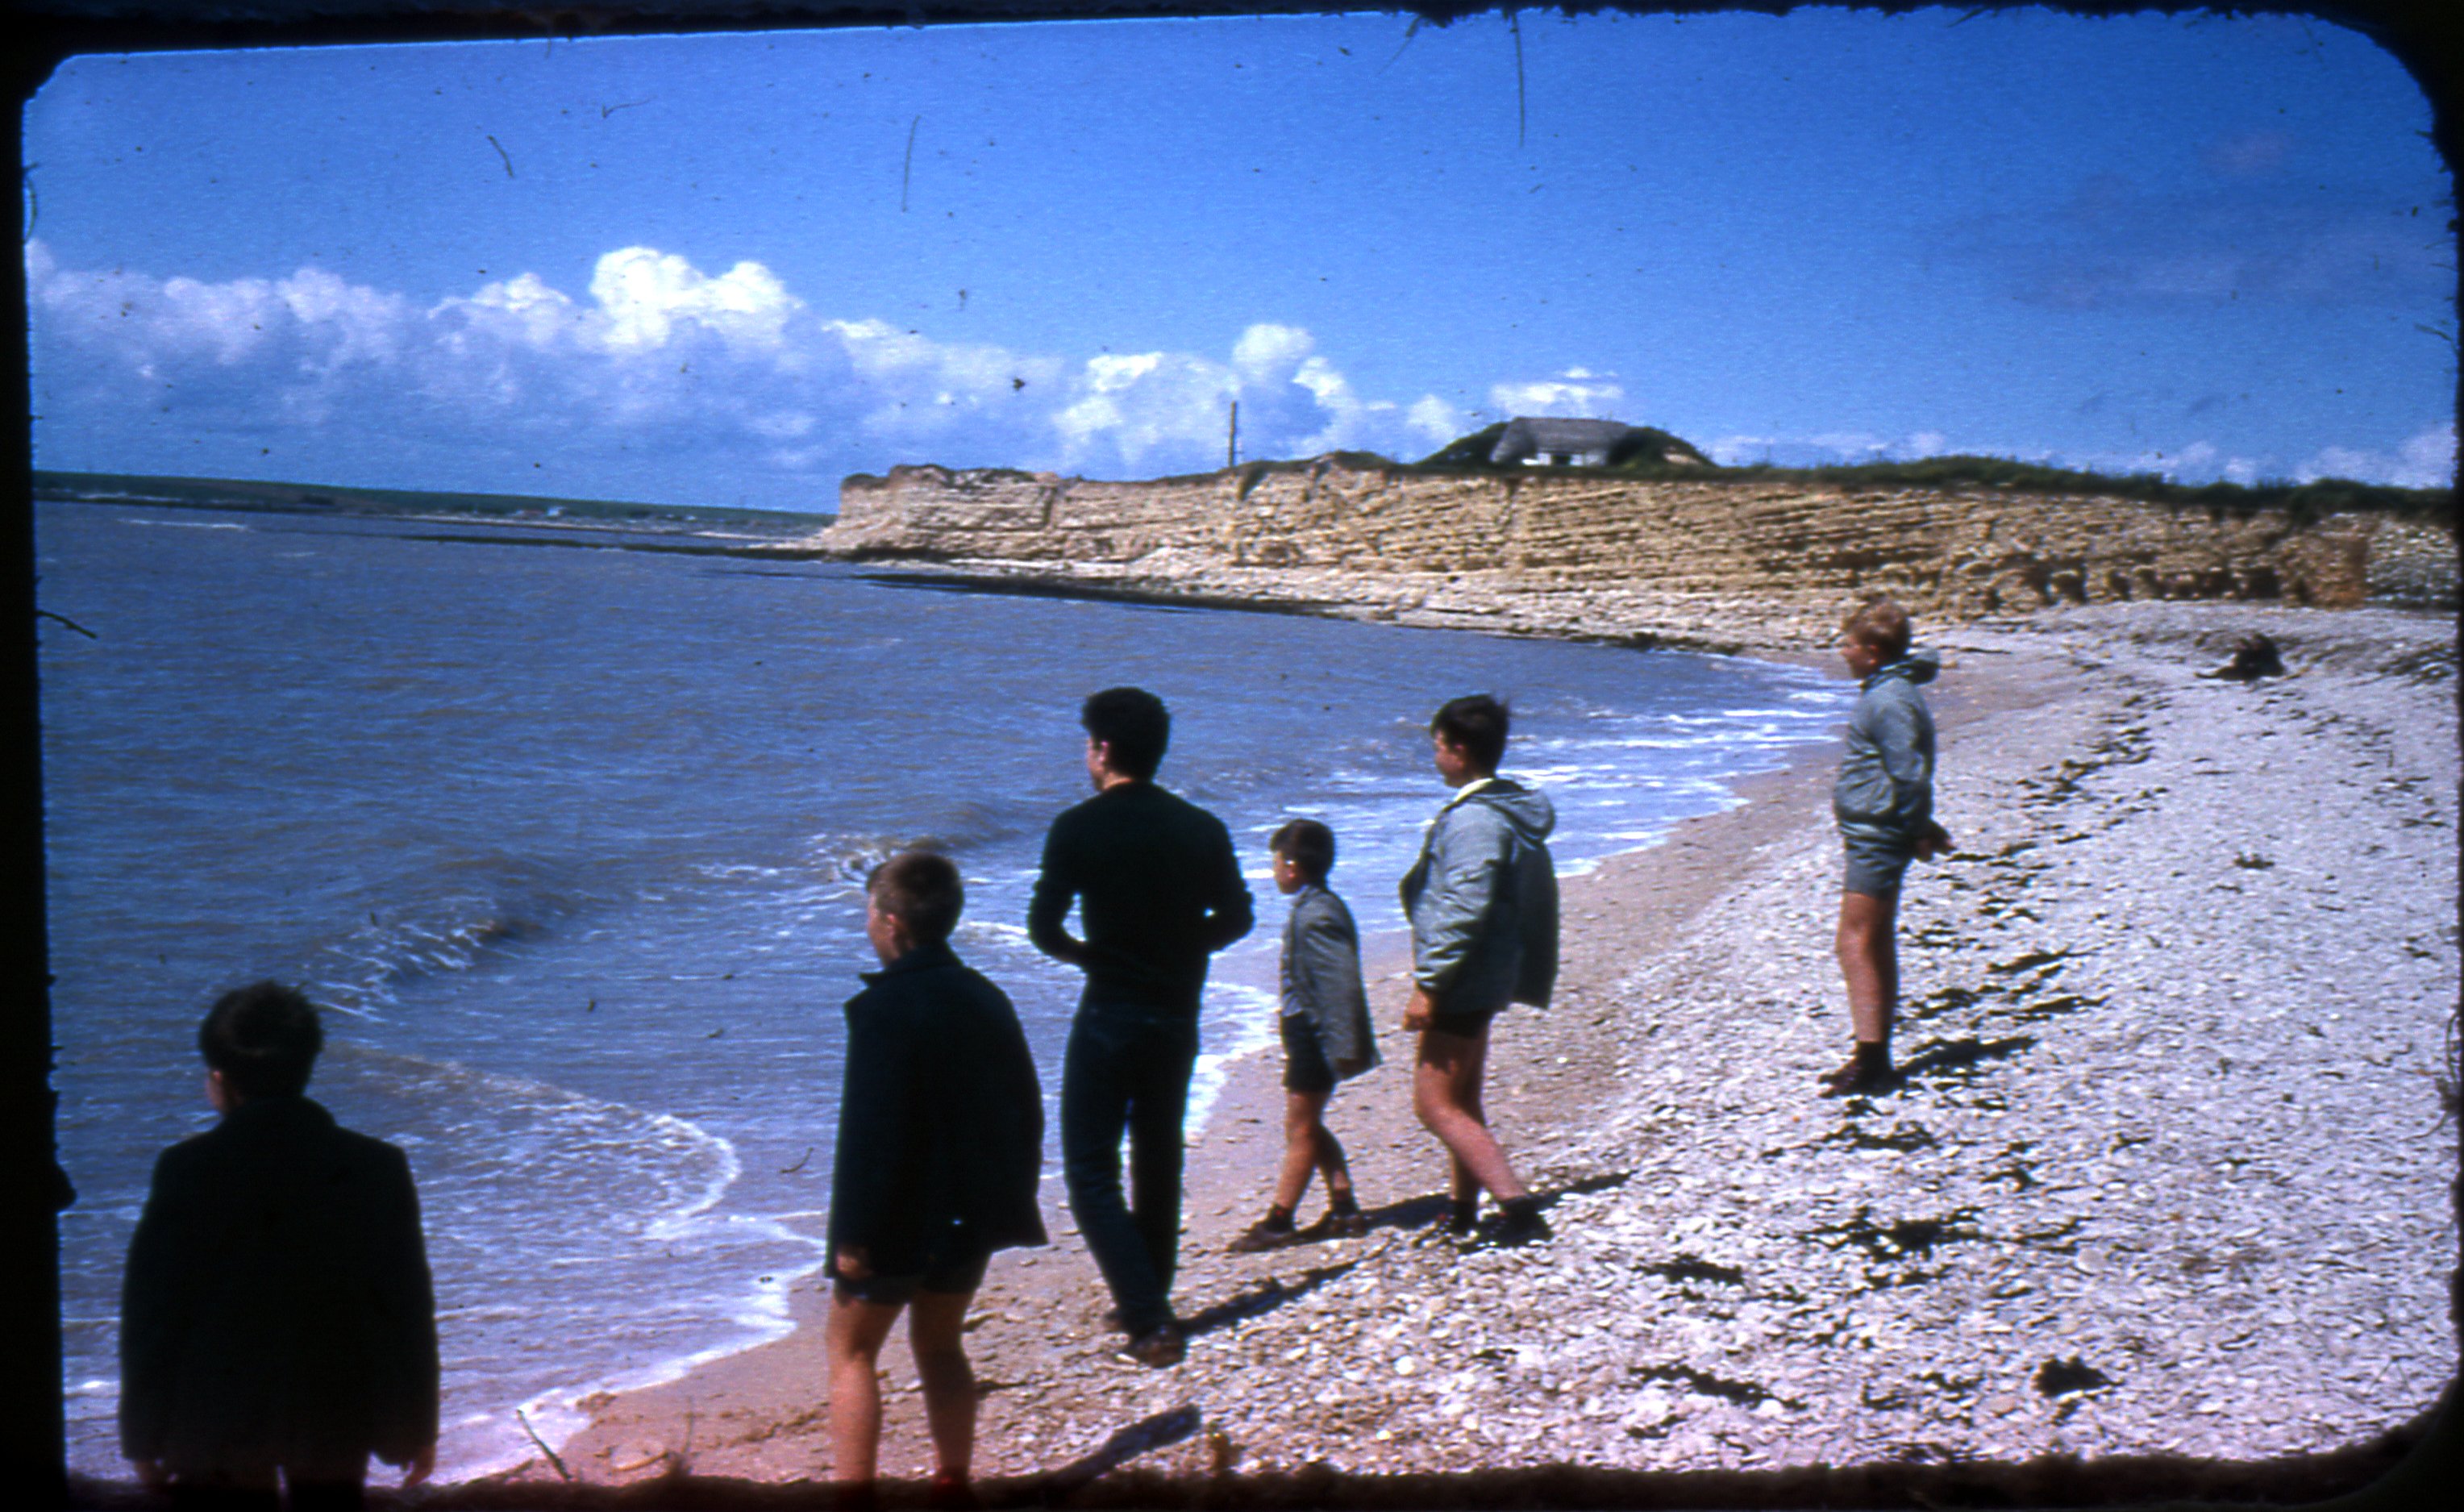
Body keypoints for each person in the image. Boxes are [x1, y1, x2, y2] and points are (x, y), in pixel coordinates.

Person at [120, 981, 438, 1511]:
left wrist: (144, 1435)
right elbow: (404, 1308)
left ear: (219, 1079)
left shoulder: (187, 1168)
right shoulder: (376, 1166)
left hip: (214, 1415)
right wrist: (415, 1427)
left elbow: (153, 1315)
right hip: (334, 1411)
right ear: (308, 1066)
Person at [1028, 687, 1253, 1368]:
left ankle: (1149, 1316)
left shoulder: (1077, 826)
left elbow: (1044, 927)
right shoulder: (1201, 826)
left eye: (1088, 743)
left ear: (1102, 749)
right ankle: (1147, 1298)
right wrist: (1183, 948)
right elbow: (1238, 916)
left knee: (1089, 1167)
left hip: (1110, 1007)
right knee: (1158, 1157)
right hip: (1177, 1008)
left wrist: (1096, 956)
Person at [826, 851, 1047, 1507]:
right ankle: (952, 1484)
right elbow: (1025, 1108)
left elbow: (870, 1134)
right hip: (969, 1213)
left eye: (870, 911)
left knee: (851, 1349)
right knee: (941, 1343)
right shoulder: (987, 996)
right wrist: (1007, 1203)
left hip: (897, 1216)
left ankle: (854, 1497)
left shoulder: (882, 1008)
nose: (869, 923)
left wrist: (852, 1236)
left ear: (891, 922)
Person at [1399, 694, 1559, 1247]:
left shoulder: (1474, 820)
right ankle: (1463, 1207)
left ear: (1460, 750)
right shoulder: (1501, 809)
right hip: (1486, 970)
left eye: (1438, 747)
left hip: (1465, 976)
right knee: (1462, 1097)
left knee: (1434, 1105)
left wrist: (1428, 984)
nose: (1435, 757)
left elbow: (1465, 907)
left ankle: (1519, 1210)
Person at [1228, 818, 1378, 1253]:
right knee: (1306, 1124)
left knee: (1301, 1126)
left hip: (1315, 1034)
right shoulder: (1316, 906)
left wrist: (1343, 1047)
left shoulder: (1318, 915)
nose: (1274, 871)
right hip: (1307, 1031)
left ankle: (1280, 1220)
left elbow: (1341, 986)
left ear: (1292, 867)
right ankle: (1344, 1207)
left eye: (1276, 863)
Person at [1824, 598, 1953, 1098]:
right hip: (1878, 829)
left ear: (1873, 653)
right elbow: (1905, 773)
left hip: (1878, 835)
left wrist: (1918, 828)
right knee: (1872, 941)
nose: (1843, 652)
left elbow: (1909, 774)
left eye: (1848, 645)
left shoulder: (1889, 700)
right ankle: (1874, 1055)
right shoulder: (1889, 691)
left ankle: (1873, 1061)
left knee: (1854, 942)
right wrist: (1922, 824)